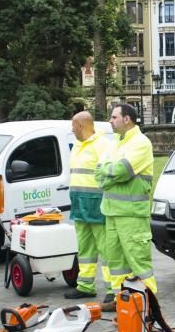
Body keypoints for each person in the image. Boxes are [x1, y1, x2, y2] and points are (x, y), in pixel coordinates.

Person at [96, 103, 156, 311]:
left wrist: (109, 174)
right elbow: (99, 172)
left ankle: (149, 305)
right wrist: (109, 174)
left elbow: (122, 170)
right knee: (116, 261)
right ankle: (123, 302)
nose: (110, 121)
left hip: (131, 214)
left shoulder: (141, 142)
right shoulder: (115, 144)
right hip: (111, 212)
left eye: (114, 117)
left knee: (138, 260)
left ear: (127, 119)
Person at [65, 111, 111, 300]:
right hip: (79, 205)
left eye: (73, 125)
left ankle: (113, 289)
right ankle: (85, 285)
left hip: (96, 205)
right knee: (85, 249)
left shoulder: (103, 145)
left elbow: (108, 175)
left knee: (106, 249)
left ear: (81, 126)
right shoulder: (77, 146)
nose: (71, 129)